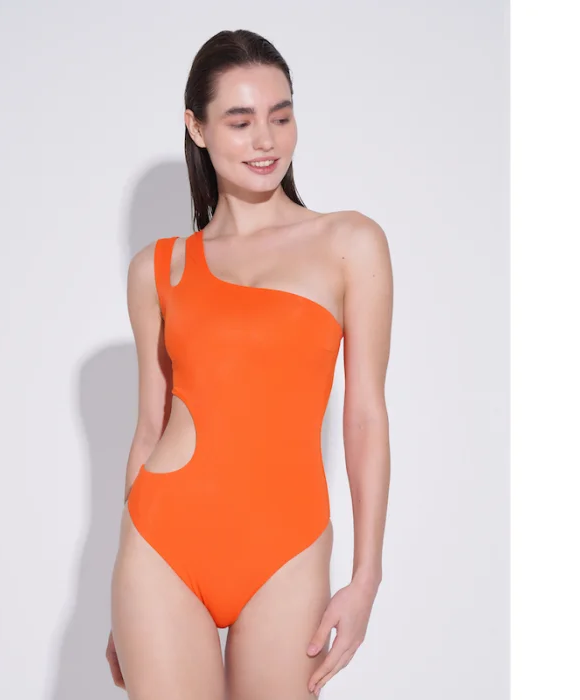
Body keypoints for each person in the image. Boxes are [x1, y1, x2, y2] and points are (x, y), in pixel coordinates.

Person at [107, 28, 393, 700]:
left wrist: (366, 576)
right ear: (197, 128)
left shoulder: (349, 242)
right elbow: (149, 427)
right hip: (162, 544)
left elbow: (365, 416)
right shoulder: (158, 269)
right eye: (240, 121)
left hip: (287, 547)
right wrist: (127, 605)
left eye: (280, 117)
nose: (265, 140)